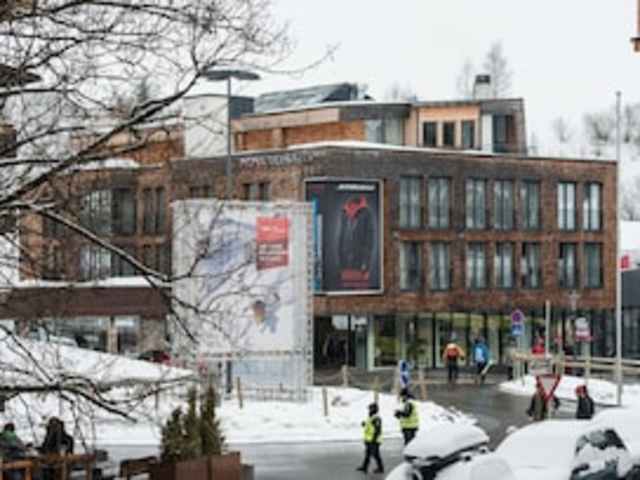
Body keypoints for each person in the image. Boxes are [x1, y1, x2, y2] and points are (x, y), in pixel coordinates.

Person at [356, 403, 384, 474]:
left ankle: (380, 468)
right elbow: (370, 426)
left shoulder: (376, 418)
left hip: (374, 440)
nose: (369, 410)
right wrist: (364, 424)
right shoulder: (371, 417)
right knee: (367, 454)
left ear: (374, 409)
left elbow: (378, 430)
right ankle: (364, 467)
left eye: (370, 409)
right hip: (369, 439)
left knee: (375, 454)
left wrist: (373, 440)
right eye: (369, 409)